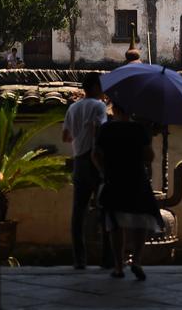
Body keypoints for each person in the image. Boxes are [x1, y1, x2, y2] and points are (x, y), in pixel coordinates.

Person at [92, 99, 164, 281]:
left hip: (114, 178)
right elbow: (149, 156)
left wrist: (103, 171)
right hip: (137, 178)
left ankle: (118, 266)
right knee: (142, 220)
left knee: (115, 223)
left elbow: (96, 154)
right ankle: (137, 260)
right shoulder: (139, 129)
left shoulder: (106, 129)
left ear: (114, 109)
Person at [62, 72, 110, 269]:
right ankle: (108, 259)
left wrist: (79, 135)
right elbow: (101, 131)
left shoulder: (73, 108)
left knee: (78, 212)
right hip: (95, 160)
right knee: (105, 209)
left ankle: (80, 260)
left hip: (79, 161)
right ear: (96, 87)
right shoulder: (99, 106)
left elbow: (65, 137)